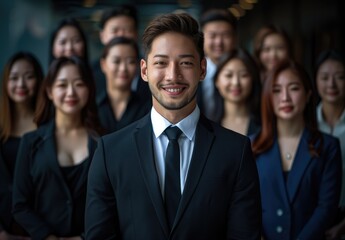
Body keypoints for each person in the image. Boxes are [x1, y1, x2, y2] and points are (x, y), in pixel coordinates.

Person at [85, 13, 261, 239]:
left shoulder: (235, 151)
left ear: (202, 69)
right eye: (161, 63)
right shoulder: (110, 152)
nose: (173, 75)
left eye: (186, 63)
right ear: (144, 70)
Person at [12, 56, 103, 240]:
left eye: (79, 84)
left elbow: (110, 202)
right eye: (62, 85)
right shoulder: (30, 142)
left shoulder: (103, 142)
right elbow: (20, 205)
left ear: (89, 89)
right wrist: (48, 237)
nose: (71, 92)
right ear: (49, 91)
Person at [252, 60, 341, 239]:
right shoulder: (251, 146)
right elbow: (245, 204)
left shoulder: (328, 146)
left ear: (308, 94)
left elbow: (326, 207)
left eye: (294, 88)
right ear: (268, 97)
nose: (285, 97)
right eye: (276, 90)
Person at [0, 51, 43, 239]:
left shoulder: (48, 126)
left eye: (29, 77)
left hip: (41, 224)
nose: (21, 84)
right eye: (14, 78)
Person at [313, 50, 345, 240]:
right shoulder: (306, 125)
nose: (331, 84)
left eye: (340, 77)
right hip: (313, 220)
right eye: (325, 77)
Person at [92, 4, 150, 102]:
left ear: (136, 34)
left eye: (127, 30)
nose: (121, 36)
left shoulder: (149, 69)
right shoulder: (91, 74)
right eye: (115, 31)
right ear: (102, 36)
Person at [98, 36, 151, 133]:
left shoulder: (148, 108)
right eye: (116, 61)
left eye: (130, 61)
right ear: (103, 64)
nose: (123, 68)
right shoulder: (92, 107)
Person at [198, 8, 238, 120]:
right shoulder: (193, 71)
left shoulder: (246, 72)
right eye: (212, 35)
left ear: (235, 39)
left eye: (225, 35)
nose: (218, 42)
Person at [213, 48, 261, 135]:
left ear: (253, 79)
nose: (236, 82)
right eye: (229, 75)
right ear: (217, 81)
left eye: (243, 75)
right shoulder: (206, 128)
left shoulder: (265, 125)